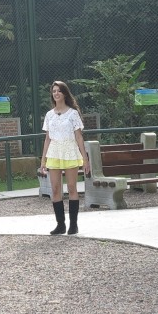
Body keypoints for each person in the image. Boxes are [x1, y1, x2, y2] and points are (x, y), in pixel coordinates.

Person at [39, 80, 90, 235]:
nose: (56, 93)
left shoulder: (73, 114)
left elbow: (79, 137)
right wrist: (43, 161)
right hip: (54, 153)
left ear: (64, 93)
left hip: (70, 152)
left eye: (59, 91)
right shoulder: (49, 115)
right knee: (55, 189)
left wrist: (85, 159)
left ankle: (73, 225)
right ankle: (60, 224)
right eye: (54, 91)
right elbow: (47, 138)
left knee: (72, 187)